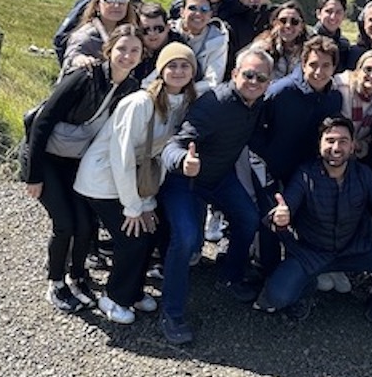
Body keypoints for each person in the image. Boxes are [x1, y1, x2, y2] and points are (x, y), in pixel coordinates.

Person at [254, 115, 372, 335]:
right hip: (311, 253)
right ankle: (306, 289)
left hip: (353, 248)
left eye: (343, 141)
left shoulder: (363, 174)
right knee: (276, 298)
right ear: (320, 144)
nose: (336, 147)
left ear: (353, 146)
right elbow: (286, 207)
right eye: (330, 140)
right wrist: (281, 218)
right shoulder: (305, 175)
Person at [156, 46, 274, 345]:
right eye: (248, 74)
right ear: (234, 74)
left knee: (248, 218)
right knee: (184, 240)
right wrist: (183, 162)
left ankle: (230, 276)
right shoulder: (214, 103)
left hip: (219, 178)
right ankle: (171, 312)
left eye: (261, 78)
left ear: (268, 83)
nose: (253, 82)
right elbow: (176, 143)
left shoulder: (258, 104)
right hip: (185, 182)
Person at [74, 42, 198, 324]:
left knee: (150, 229)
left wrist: (146, 203)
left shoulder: (184, 102)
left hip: (135, 180)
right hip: (103, 179)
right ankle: (114, 297)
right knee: (133, 237)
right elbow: (122, 156)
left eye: (185, 66)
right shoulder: (140, 103)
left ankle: (133, 290)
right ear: (160, 70)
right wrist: (134, 206)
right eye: (172, 65)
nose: (178, 71)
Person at [23, 24, 143, 313]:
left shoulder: (130, 87)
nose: (127, 55)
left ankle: (77, 276)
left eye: (134, 50)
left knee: (86, 224)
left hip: (77, 161)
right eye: (121, 49)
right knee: (64, 223)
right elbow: (42, 121)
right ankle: (55, 283)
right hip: (48, 158)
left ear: (142, 54)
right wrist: (33, 174)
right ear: (109, 50)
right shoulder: (84, 76)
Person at [253, 35, 344, 275]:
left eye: (326, 66)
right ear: (303, 64)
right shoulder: (281, 92)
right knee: (271, 219)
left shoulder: (334, 98)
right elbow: (256, 128)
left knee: (305, 220)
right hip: (272, 167)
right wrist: (266, 158)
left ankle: (304, 270)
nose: (318, 71)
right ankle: (269, 272)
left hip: (307, 170)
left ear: (334, 67)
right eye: (313, 64)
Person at [318, 48, 372, 293]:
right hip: (328, 154)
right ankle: (321, 265)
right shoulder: (339, 89)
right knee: (325, 210)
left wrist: (359, 148)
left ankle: (339, 264)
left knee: (349, 212)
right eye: (367, 69)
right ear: (357, 69)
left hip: (355, 158)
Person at [60, 0, 137, 74]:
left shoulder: (130, 34)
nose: (116, 5)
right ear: (97, 5)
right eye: (109, 0)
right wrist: (80, 59)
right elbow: (72, 56)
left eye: (122, 0)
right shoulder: (85, 36)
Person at [173, 0, 229, 96]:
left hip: (196, 95)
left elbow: (213, 81)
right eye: (192, 8)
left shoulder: (218, 40)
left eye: (204, 9)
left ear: (210, 15)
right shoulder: (168, 31)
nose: (198, 13)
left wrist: (182, 90)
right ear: (182, 12)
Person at [252, 0, 308, 79]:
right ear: (275, 23)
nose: (288, 25)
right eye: (283, 21)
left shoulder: (309, 52)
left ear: (301, 26)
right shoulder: (261, 49)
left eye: (294, 22)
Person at [132, 1, 184, 86]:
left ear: (168, 27)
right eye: (146, 30)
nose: (152, 33)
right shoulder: (132, 47)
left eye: (158, 28)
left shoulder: (180, 50)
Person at [310, 0, 351, 71]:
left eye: (338, 12)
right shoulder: (307, 40)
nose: (333, 17)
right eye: (329, 11)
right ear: (318, 13)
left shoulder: (344, 46)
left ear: (344, 15)